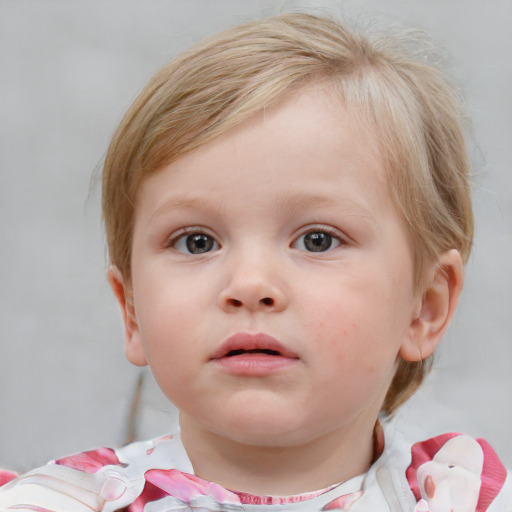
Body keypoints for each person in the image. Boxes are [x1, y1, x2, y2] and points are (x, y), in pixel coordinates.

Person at [0, 12, 510, 512]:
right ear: (132, 310)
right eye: (197, 242)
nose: (249, 284)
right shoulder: (53, 503)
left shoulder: (462, 498)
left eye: (316, 240)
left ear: (424, 307)